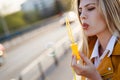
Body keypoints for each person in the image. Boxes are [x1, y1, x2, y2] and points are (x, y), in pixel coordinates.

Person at [71, 0, 120, 80]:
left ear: (109, 10)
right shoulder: (85, 52)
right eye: (80, 11)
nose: (82, 16)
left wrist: (95, 77)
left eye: (90, 8)